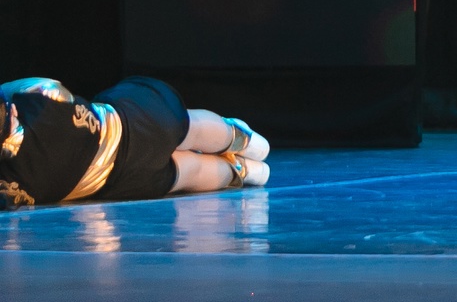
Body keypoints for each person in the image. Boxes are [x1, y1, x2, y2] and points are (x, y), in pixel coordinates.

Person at [0, 76, 268, 207]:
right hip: (134, 122)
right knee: (191, 127)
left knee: (188, 173)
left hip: (122, 180)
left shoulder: (9, 184)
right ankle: (238, 137)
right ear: (10, 111)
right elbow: (39, 87)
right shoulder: (39, 99)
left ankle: (240, 171)